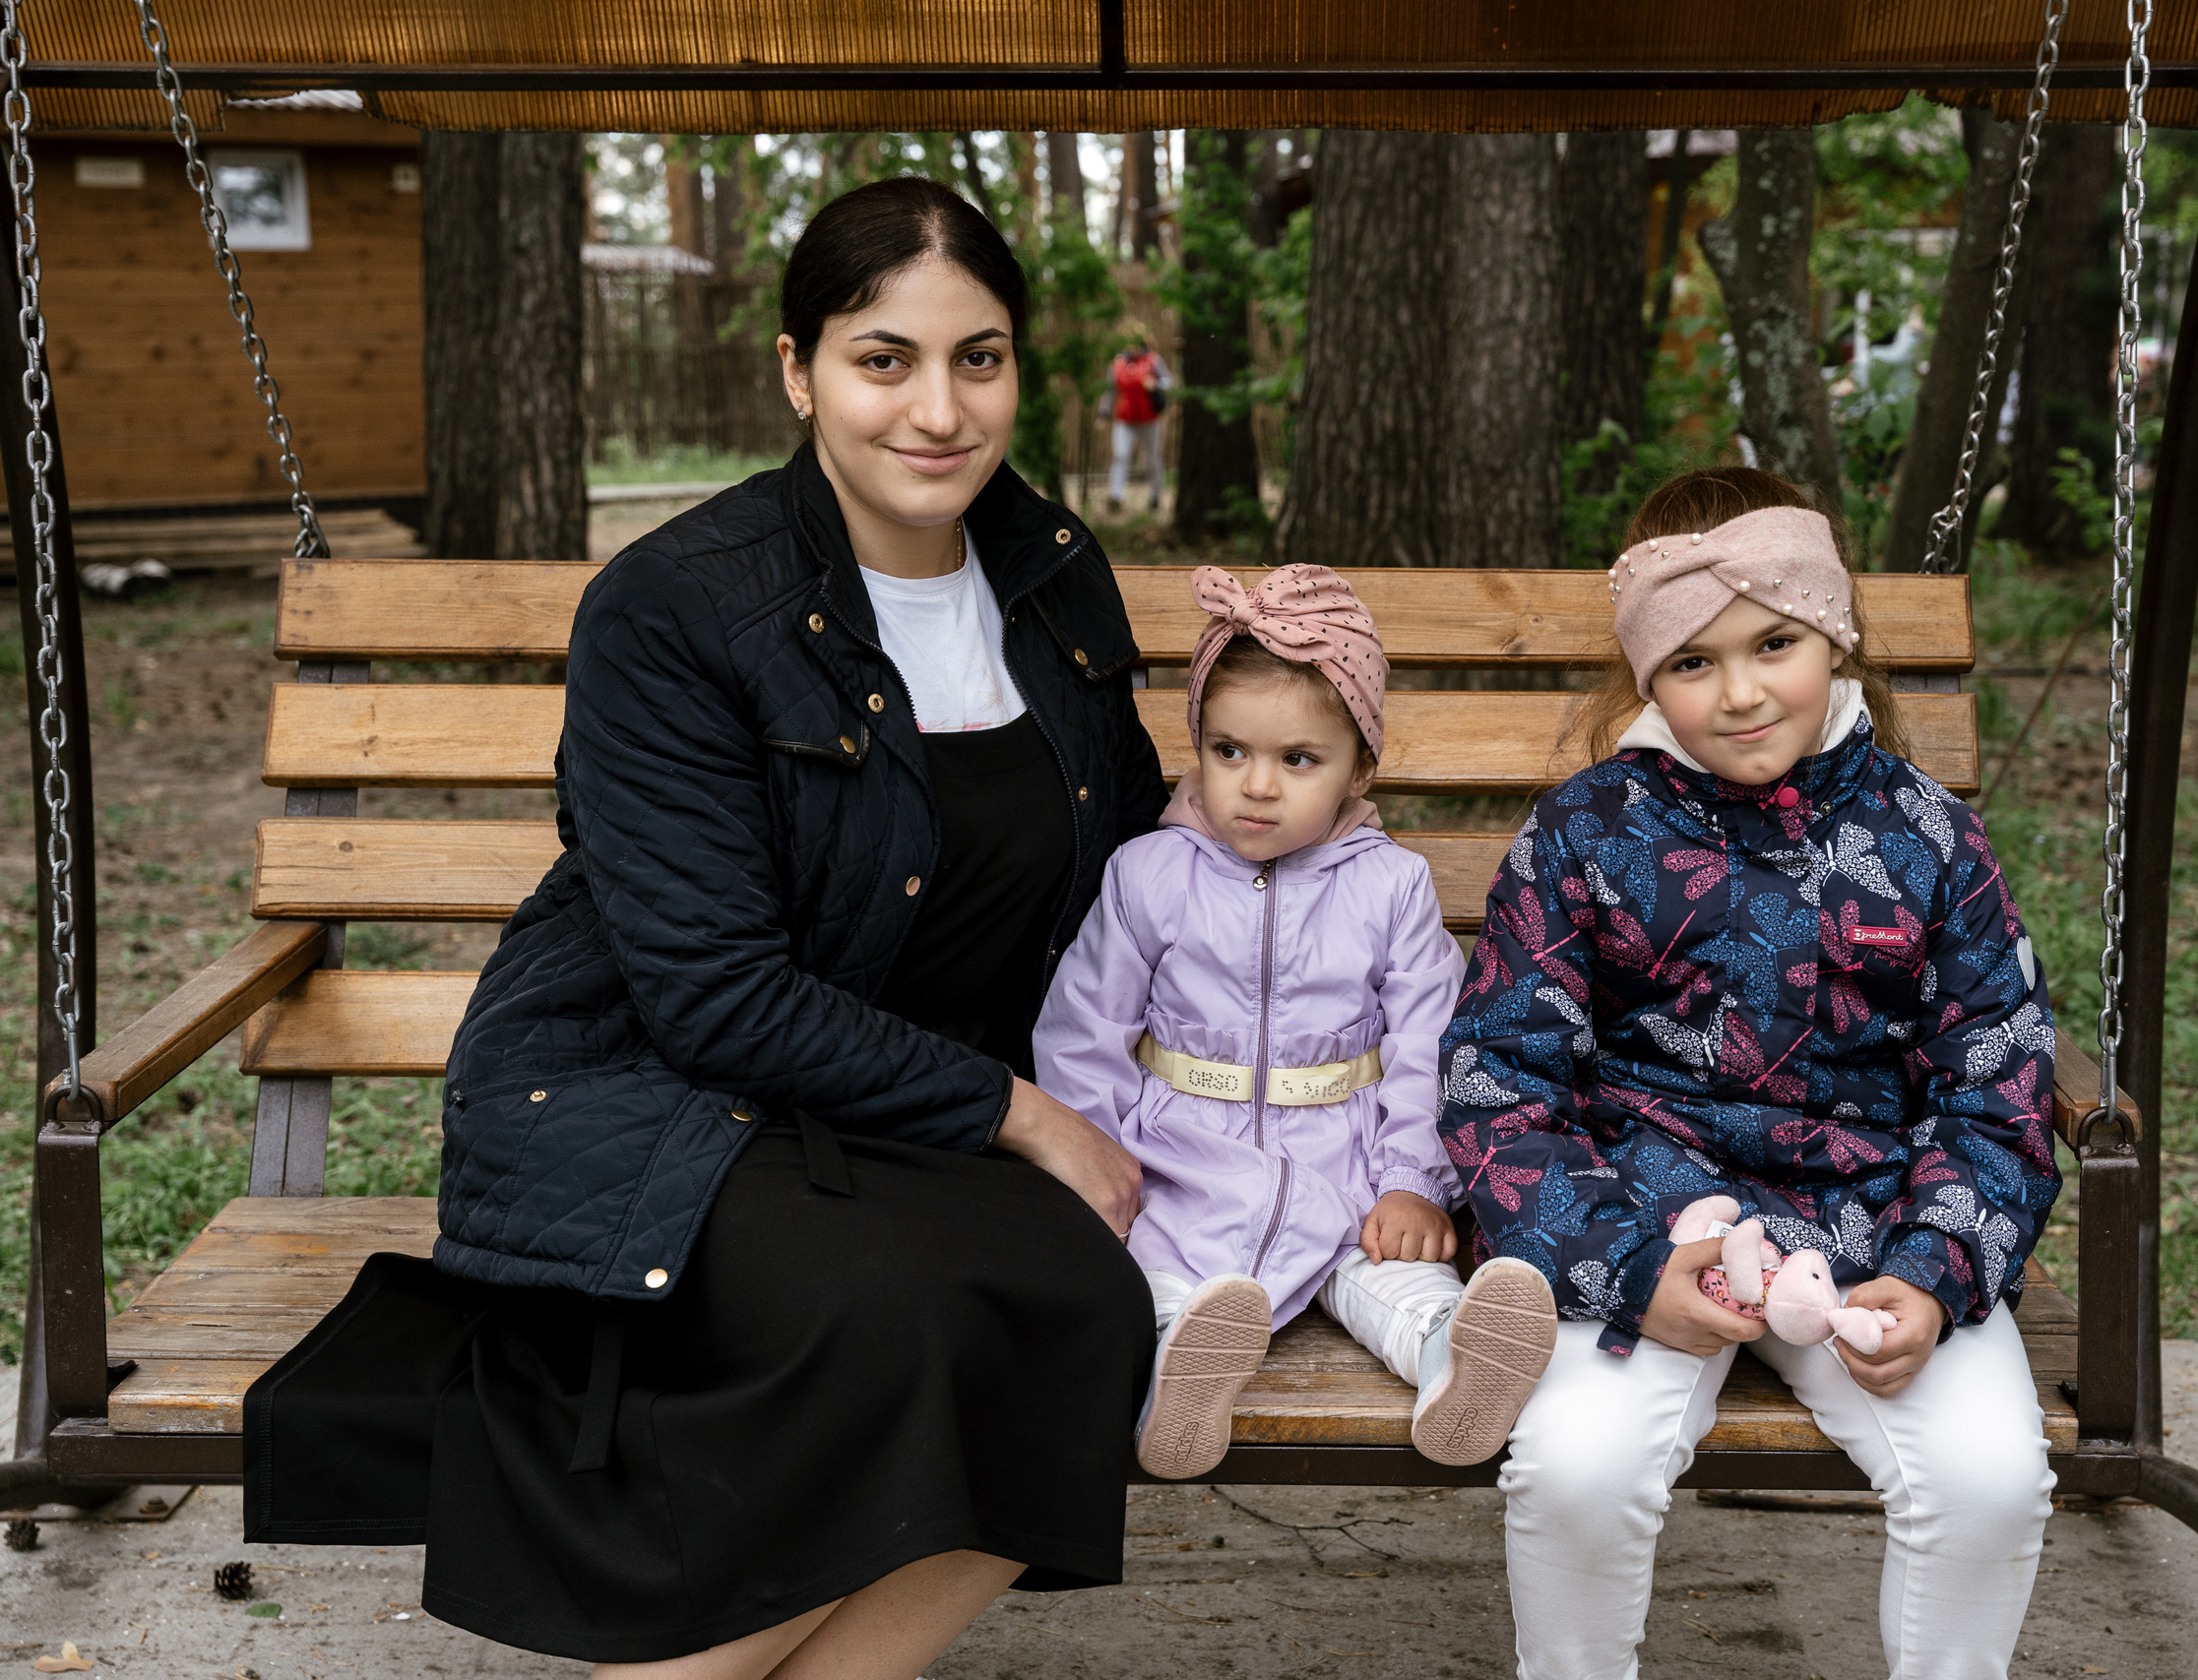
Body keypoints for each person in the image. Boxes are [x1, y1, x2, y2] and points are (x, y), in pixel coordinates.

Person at [242, 176, 1168, 1680]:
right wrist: (1025, 1113)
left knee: (1084, 1307)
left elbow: (1138, 862)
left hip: (908, 1114)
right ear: (799, 370)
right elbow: (715, 994)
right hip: (654, 1096)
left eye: (979, 358)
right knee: (914, 1313)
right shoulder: (677, 605)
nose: (939, 410)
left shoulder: (1053, 576)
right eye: (885, 359)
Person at [1440, 467, 2062, 1680]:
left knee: (1989, 1480)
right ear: (1644, 675)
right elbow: (1499, 1080)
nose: (1738, 692)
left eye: (1772, 644)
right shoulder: (1584, 831)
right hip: (1646, 1218)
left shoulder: (1927, 835)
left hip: (1873, 1224)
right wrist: (1626, 1270)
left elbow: (1998, 1082)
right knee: (1576, 1471)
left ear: (1833, 634)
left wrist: (1932, 1275)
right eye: (1691, 660)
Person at [1033, 565, 1556, 1480]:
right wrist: (1095, 1163)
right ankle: (1178, 1376)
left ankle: (1453, 1358)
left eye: (1298, 760)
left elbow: (1432, 1043)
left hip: (1347, 1166)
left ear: (1361, 767)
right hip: (1181, 1163)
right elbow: (1085, 1029)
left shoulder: (1391, 886)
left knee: (1400, 1280)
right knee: (1158, 1280)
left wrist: (1411, 1182)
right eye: (1229, 750)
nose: (1257, 785)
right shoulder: (1148, 873)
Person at [1100, 329, 1170, 514]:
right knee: (1120, 455)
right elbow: (1110, 390)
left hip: (1149, 419)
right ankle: (1116, 497)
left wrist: (1156, 384)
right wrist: (1103, 414)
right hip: (1125, 420)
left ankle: (1155, 496)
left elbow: (1168, 381)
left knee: (1152, 458)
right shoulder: (1118, 363)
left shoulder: (1153, 360)